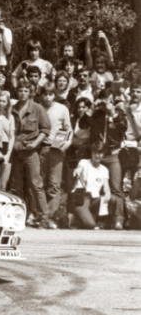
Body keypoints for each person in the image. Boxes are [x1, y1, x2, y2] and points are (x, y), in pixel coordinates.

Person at [79, 88, 127, 230]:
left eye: (109, 101)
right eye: (104, 100)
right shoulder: (96, 112)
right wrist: (92, 108)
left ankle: (118, 220)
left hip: (112, 155)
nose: (106, 104)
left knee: (115, 188)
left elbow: (123, 127)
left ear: (113, 100)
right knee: (95, 189)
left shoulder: (118, 112)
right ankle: (102, 220)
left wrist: (112, 111)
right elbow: (82, 125)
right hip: (96, 155)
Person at [10, 79, 52, 228]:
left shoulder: (37, 108)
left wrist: (35, 144)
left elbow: (45, 130)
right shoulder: (12, 108)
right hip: (15, 152)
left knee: (36, 184)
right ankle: (20, 216)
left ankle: (44, 218)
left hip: (30, 151)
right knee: (17, 186)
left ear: (30, 92)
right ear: (17, 91)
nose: (23, 93)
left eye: (26, 91)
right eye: (20, 90)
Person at [39, 82, 73, 227]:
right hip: (39, 148)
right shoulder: (37, 107)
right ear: (41, 95)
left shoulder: (62, 109)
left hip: (56, 149)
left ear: (54, 95)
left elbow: (68, 129)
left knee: (54, 183)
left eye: (50, 94)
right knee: (38, 183)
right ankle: (39, 215)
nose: (47, 97)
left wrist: (68, 142)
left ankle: (51, 217)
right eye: (45, 94)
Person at [71, 142, 123, 230]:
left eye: (100, 153)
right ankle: (75, 219)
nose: (97, 155)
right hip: (81, 199)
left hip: (94, 200)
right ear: (91, 153)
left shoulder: (104, 169)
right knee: (90, 225)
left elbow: (106, 187)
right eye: (95, 152)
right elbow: (79, 169)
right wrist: (77, 171)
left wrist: (107, 194)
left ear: (103, 154)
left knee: (113, 198)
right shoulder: (84, 162)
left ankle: (117, 223)